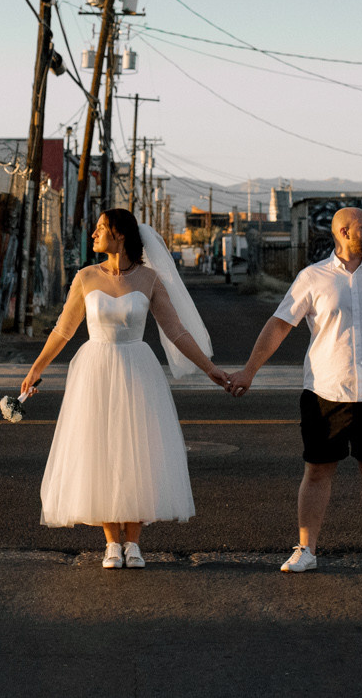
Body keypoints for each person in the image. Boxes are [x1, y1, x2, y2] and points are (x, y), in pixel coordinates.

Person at [21, 207, 231, 568]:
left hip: (137, 369)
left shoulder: (149, 279)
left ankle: (133, 542)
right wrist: (36, 368)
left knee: (137, 450)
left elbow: (176, 331)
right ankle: (111, 544)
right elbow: (63, 330)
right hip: (94, 369)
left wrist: (209, 368)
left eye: (100, 228)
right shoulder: (86, 277)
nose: (94, 234)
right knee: (99, 450)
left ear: (120, 234)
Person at [229, 206, 362, 575]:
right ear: (344, 233)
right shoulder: (312, 277)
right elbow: (279, 325)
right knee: (317, 471)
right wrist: (249, 371)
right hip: (325, 393)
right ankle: (306, 550)